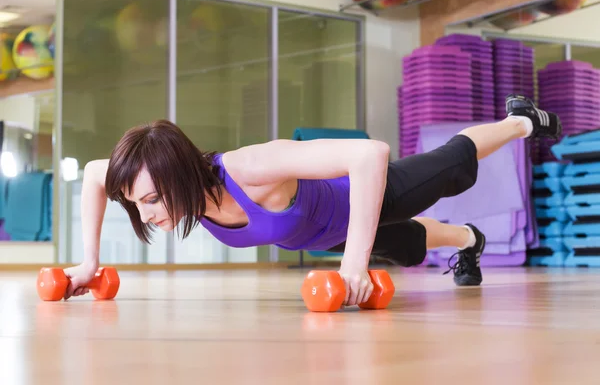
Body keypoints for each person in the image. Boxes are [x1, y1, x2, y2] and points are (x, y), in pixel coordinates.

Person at [62, 94, 562, 304]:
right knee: (409, 247)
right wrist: (89, 262)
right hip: (330, 233)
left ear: (177, 174)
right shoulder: (148, 177)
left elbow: (370, 154)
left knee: (452, 165)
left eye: (151, 201)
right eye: (136, 205)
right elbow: (90, 173)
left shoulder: (251, 168)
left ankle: (520, 120)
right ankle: (469, 239)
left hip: (363, 198)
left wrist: (351, 266)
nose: (147, 215)